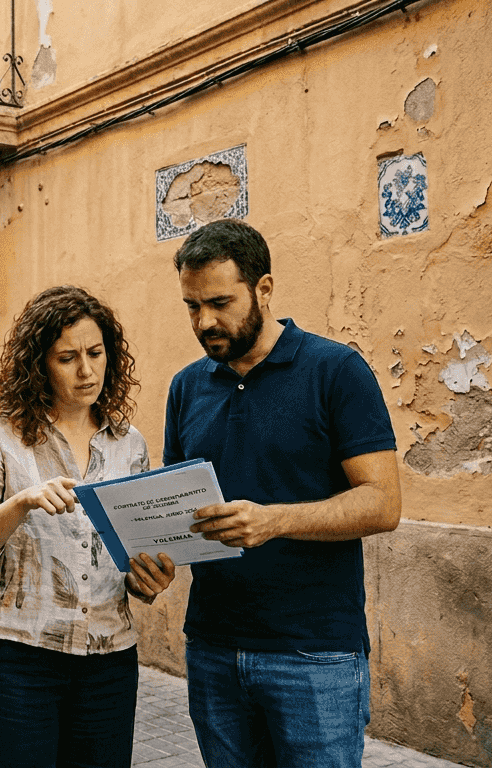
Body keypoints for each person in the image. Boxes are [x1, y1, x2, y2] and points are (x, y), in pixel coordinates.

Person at [163, 219, 402, 768]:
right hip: (213, 649)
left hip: (314, 653)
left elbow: (382, 502)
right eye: (192, 306)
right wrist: (152, 561)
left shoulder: (336, 370)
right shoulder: (187, 386)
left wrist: (273, 521)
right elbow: (177, 510)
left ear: (264, 289)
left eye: (220, 302)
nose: (205, 321)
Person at [0, 285, 176, 768]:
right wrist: (22, 502)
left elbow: (130, 553)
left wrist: (147, 579)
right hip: (13, 659)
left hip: (108, 661)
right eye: (67, 357)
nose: (87, 370)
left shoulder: (127, 443)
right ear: (39, 364)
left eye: (95, 353)